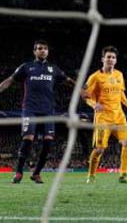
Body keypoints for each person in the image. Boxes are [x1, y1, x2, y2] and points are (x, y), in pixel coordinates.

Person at [0, 40, 77, 183]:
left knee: (48, 141)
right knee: (28, 138)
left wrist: (81, 90)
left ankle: (36, 173)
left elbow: (67, 80)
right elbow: (10, 80)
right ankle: (19, 172)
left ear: (48, 51)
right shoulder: (26, 67)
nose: (42, 50)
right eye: (39, 48)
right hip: (30, 109)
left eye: (45, 48)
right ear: (34, 51)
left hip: (48, 111)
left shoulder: (53, 69)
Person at [82, 46, 127, 184]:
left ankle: (123, 175)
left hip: (119, 116)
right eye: (108, 57)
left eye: (113, 57)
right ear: (102, 59)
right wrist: (93, 104)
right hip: (103, 118)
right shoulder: (95, 77)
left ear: (116, 60)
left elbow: (121, 93)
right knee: (100, 149)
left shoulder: (119, 75)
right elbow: (84, 94)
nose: (111, 59)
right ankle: (91, 175)